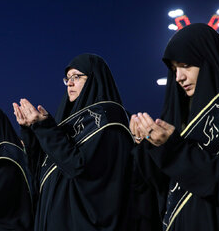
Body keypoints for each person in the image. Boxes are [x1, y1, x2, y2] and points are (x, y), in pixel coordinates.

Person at [130, 23, 219, 231]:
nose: (179, 77)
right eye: (174, 69)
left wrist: (174, 150)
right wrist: (146, 144)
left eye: (186, 65)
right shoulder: (181, 117)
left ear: (208, 61)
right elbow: (160, 188)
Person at [13, 53, 135, 230]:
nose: (69, 83)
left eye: (76, 77)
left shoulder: (108, 119)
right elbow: (40, 172)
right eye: (68, 78)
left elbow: (79, 168)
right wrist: (31, 131)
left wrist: (44, 128)